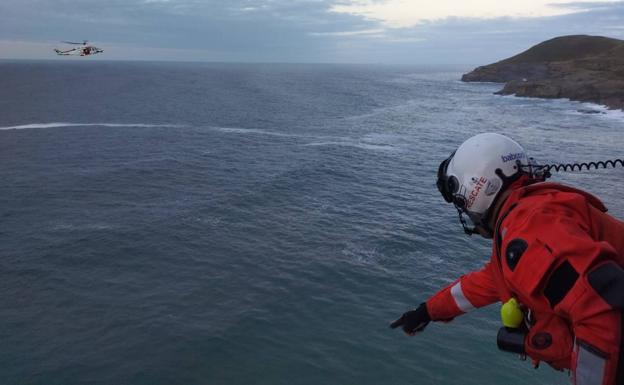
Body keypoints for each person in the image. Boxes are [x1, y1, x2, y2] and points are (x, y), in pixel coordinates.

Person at [390, 133, 624, 385]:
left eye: (462, 203)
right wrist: (426, 312)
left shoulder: (527, 230)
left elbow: (599, 305)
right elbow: (477, 287)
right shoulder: (526, 220)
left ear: (476, 190)